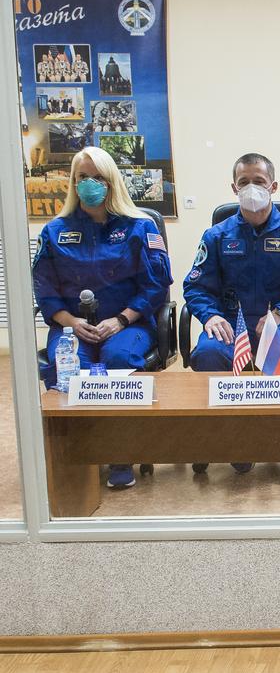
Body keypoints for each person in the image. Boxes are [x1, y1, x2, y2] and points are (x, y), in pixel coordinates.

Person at [32, 146, 173, 490]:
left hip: (127, 324)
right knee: (71, 370)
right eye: (82, 178)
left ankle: (120, 454)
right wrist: (71, 322)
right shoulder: (54, 232)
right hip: (70, 325)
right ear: (73, 183)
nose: (89, 184)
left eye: (97, 178)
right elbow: (45, 291)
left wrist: (120, 320)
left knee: (118, 360)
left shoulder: (139, 227)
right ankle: (74, 457)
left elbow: (155, 285)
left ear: (111, 183)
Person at [183, 152, 280, 475]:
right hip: (231, 324)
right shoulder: (216, 237)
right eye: (244, 182)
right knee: (207, 353)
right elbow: (195, 287)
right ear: (233, 188)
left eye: (259, 182)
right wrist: (209, 316)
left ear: (273, 186)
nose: (252, 188)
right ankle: (235, 438)